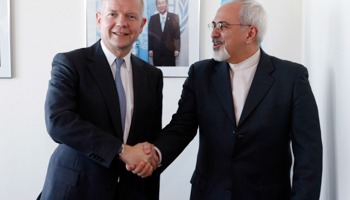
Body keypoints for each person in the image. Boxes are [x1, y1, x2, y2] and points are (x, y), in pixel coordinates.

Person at [130, 0, 323, 199]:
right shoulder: (200, 74)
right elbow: (182, 127)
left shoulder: (291, 77)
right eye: (213, 26)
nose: (213, 33)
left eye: (222, 26)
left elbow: (309, 153)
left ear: (250, 33)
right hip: (209, 193)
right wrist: (154, 154)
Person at [37, 0, 162, 199]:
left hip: (130, 191)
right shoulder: (70, 63)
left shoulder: (152, 75)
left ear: (142, 25)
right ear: (99, 19)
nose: (121, 23)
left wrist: (148, 161)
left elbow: (151, 136)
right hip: (76, 190)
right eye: (112, 14)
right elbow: (58, 122)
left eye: (131, 16)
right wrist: (121, 150)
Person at [148, 0, 181, 66]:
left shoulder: (174, 17)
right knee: (157, 73)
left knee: (171, 72)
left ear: (167, 4)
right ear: (156, 6)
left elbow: (177, 35)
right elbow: (150, 35)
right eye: (159, 3)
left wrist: (177, 49)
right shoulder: (152, 18)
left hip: (170, 51)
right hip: (156, 51)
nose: (161, 5)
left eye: (163, 3)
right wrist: (150, 49)